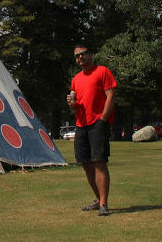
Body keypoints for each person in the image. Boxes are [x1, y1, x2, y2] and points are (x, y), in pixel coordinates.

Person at [66, 44, 117, 217]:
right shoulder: (76, 79)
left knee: (99, 162)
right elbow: (75, 103)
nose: (80, 58)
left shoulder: (102, 71)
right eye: (77, 56)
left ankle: (104, 204)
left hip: (97, 123)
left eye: (83, 54)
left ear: (91, 55)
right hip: (81, 125)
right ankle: (97, 199)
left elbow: (111, 94)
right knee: (86, 164)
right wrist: (72, 103)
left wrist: (103, 119)